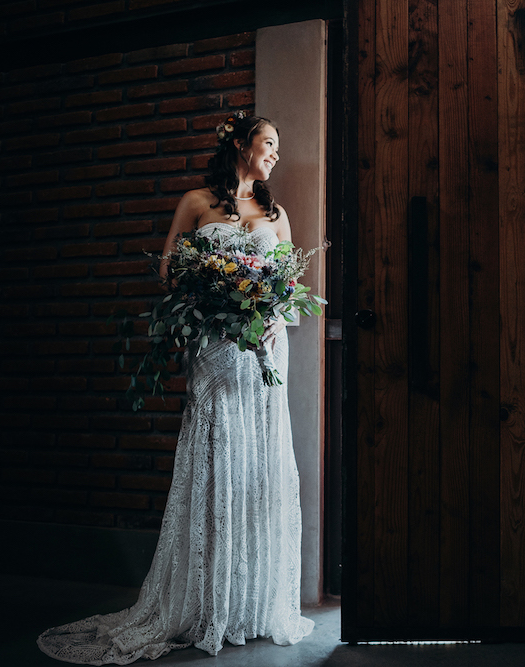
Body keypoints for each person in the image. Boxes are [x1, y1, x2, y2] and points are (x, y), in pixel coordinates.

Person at [37, 113, 314, 664]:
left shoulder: (276, 214)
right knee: (215, 458)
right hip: (212, 345)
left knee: (258, 461)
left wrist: (264, 300)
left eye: (278, 147)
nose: (275, 154)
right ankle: (200, 600)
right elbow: (166, 270)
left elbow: (291, 281)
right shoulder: (195, 202)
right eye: (269, 144)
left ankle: (251, 603)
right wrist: (210, 285)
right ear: (240, 144)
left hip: (262, 349)